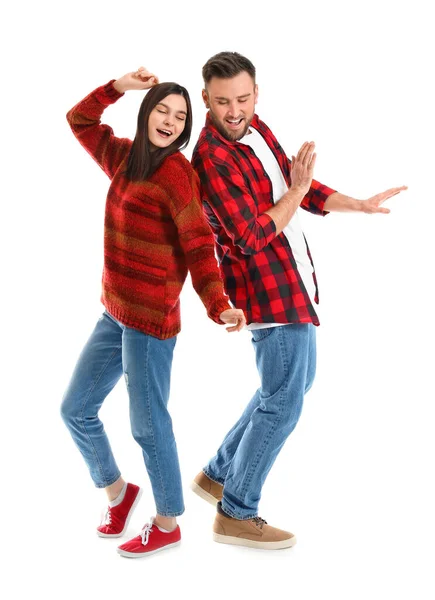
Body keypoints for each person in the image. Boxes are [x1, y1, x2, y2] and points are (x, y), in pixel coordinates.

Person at [190, 51, 407, 550]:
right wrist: (299, 188)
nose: (235, 110)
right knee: (284, 399)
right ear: (206, 99)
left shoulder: (259, 128)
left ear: (256, 94)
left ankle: (218, 474)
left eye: (243, 98)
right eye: (223, 102)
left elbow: (294, 190)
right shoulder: (211, 159)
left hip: (292, 278)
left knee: (291, 385)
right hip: (265, 289)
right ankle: (237, 511)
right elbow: (248, 236)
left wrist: (356, 203)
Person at [60, 66, 246, 559]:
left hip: (151, 324)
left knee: (147, 425)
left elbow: (198, 246)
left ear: (184, 129)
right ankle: (120, 494)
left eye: (179, 116)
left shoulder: (177, 175)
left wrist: (219, 305)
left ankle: (167, 521)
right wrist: (117, 87)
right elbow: (78, 120)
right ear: (147, 114)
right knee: (75, 409)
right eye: (162, 109)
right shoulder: (122, 157)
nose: (169, 120)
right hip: (114, 313)